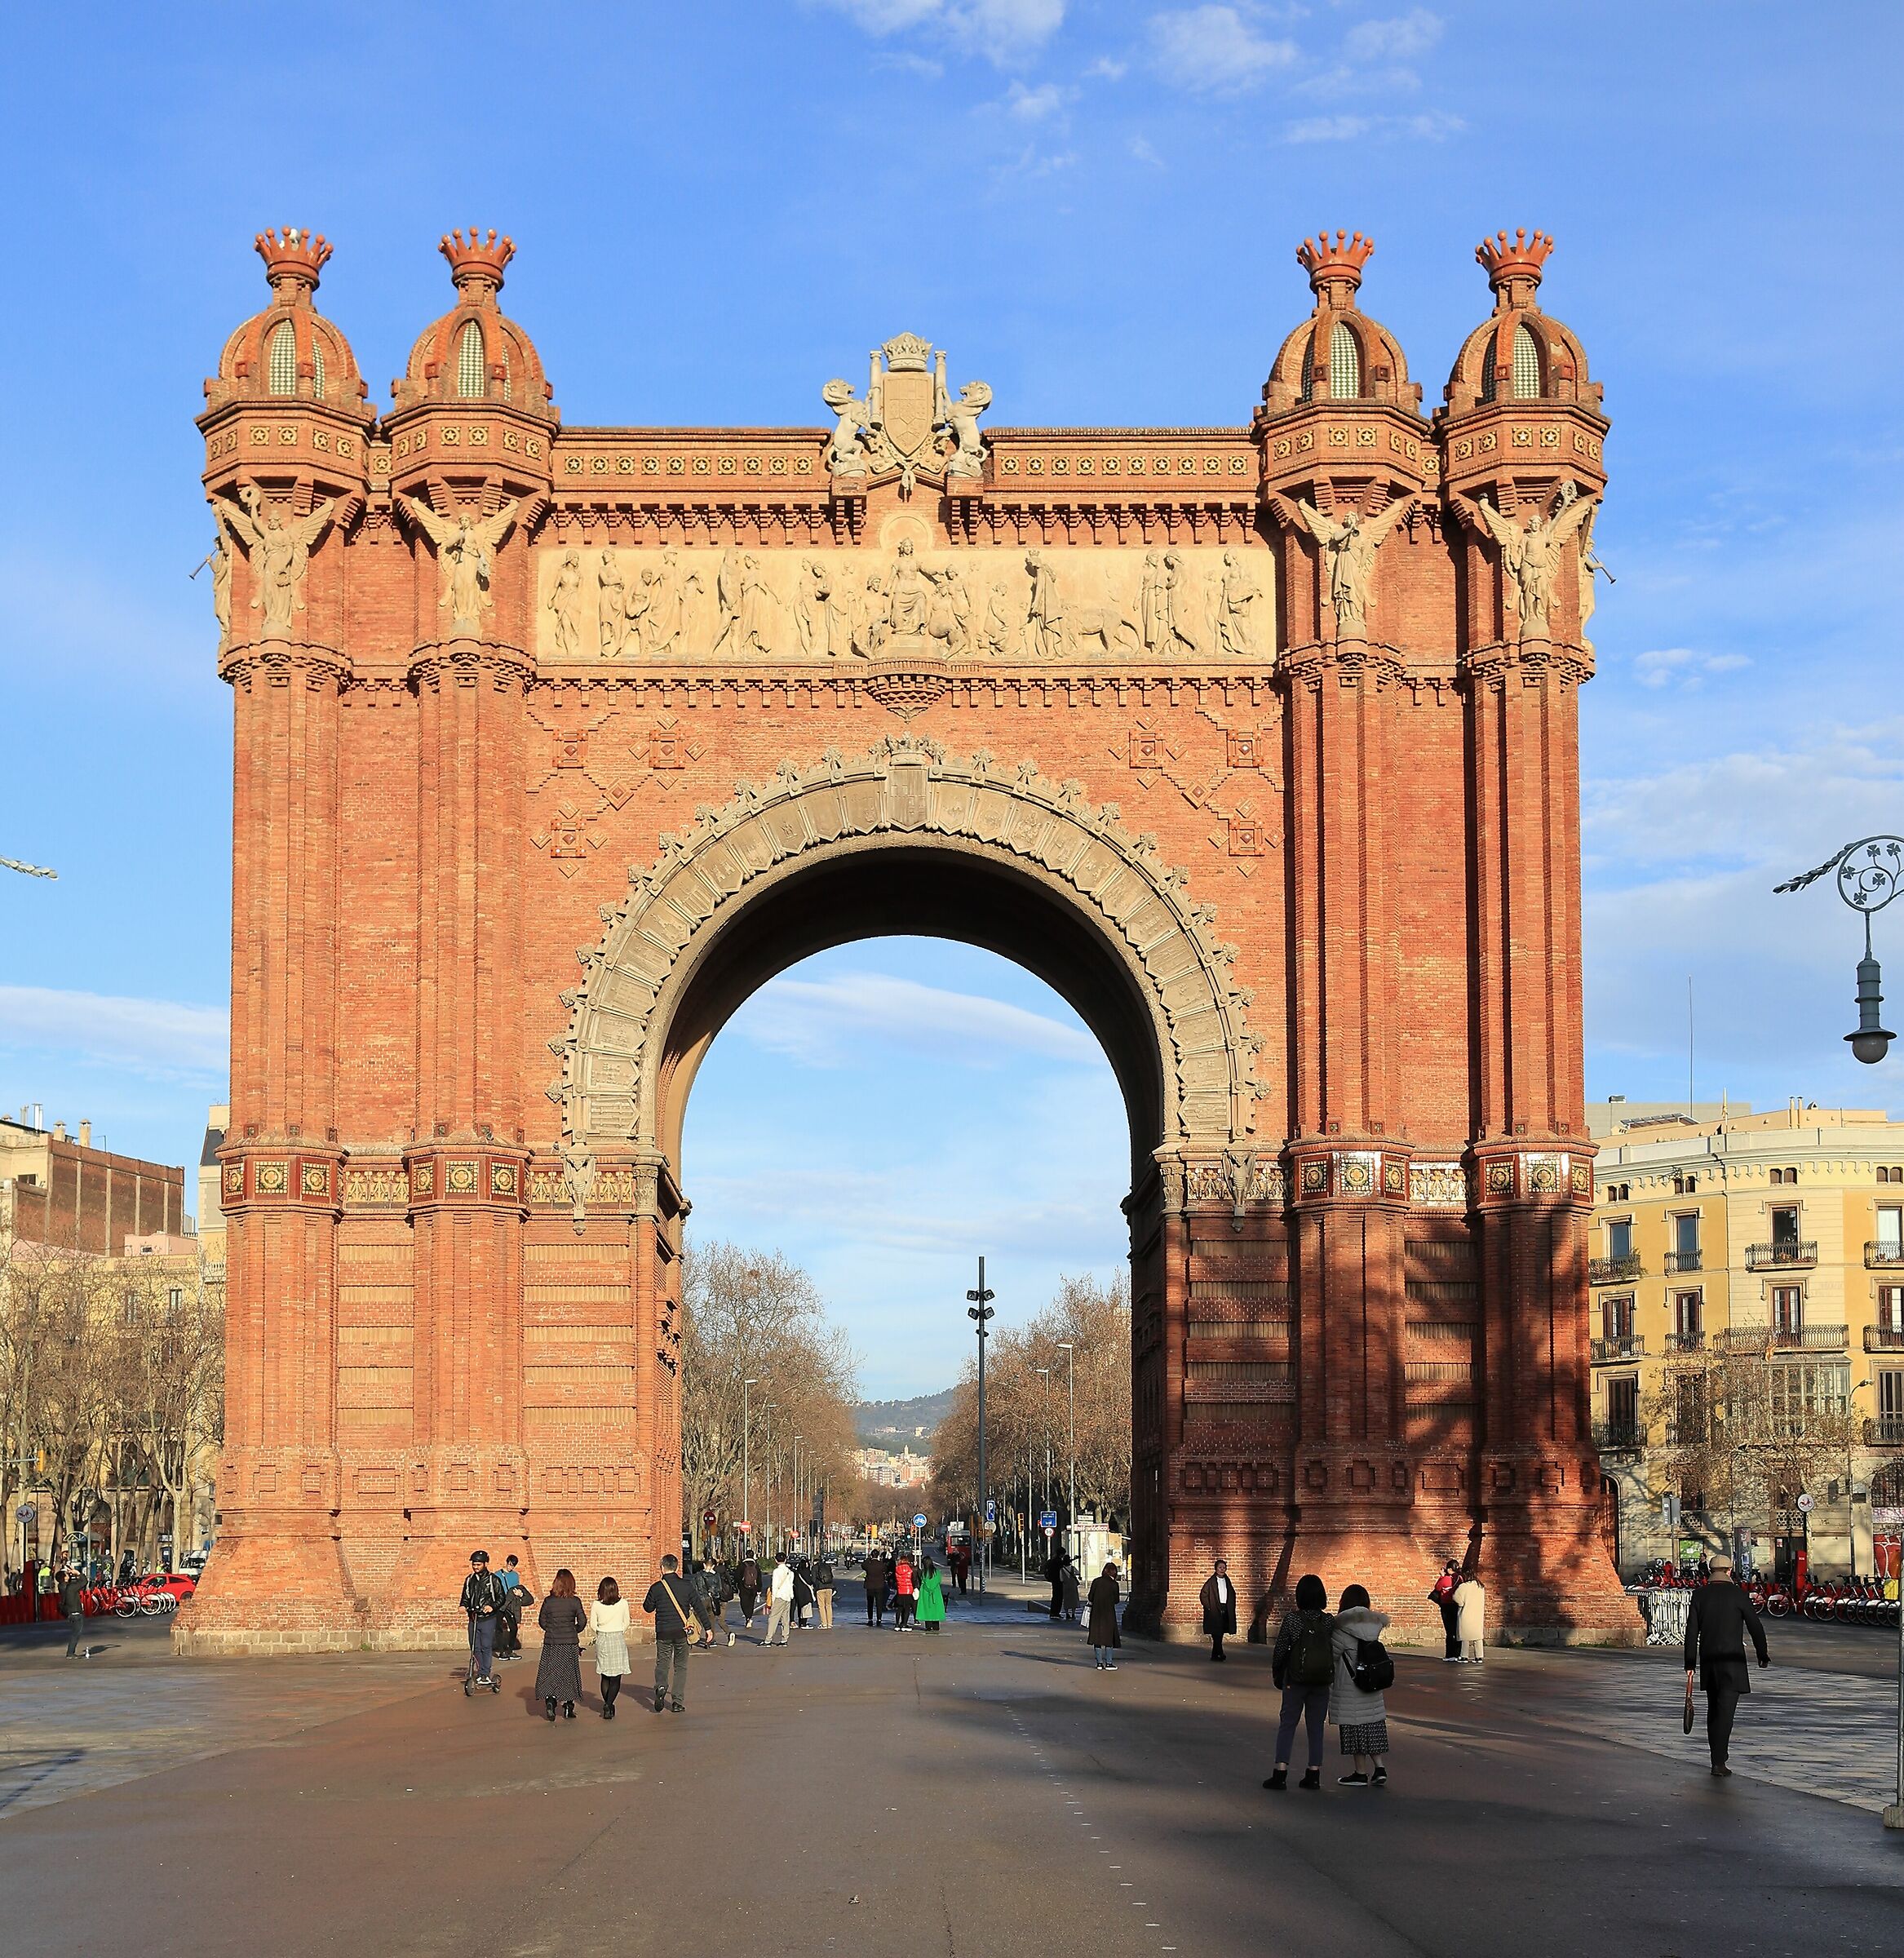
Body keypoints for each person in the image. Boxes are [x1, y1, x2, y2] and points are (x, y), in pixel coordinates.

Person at [1683, 1553, 1769, 1776]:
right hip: (1733, 1662)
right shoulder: (1738, 1595)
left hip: (1709, 1662)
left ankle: (1716, 1758)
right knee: (1726, 1713)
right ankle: (1719, 1762)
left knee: (1713, 1711)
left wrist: (1690, 1663)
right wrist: (1762, 1654)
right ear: (1730, 1571)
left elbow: (1691, 1631)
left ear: (1710, 1572)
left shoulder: (1699, 1595)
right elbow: (1755, 1626)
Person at [1264, 1574, 1335, 1791]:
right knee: (1316, 1726)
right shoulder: (1329, 1620)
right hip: (1321, 1680)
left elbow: (1281, 1650)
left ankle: (1281, 1771)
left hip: (1295, 1678)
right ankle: (1314, 1772)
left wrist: (1277, 1672)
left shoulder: (1293, 1620)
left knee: (1288, 1723)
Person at [1329, 1583, 1393, 1787]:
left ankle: (1360, 1772)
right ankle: (1380, 1768)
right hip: (1371, 1683)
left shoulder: (1341, 1628)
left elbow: (1333, 1656)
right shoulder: (1374, 1626)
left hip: (1349, 1685)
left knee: (1354, 1727)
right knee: (1372, 1724)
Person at [643, 1553, 697, 1712]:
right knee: (681, 1666)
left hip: (663, 1632)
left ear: (662, 1568)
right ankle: (677, 1701)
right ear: (677, 1568)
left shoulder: (656, 1588)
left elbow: (648, 1607)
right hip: (682, 1632)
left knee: (663, 1663)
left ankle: (661, 1685)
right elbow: (698, 1605)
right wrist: (708, 1628)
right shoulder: (686, 1586)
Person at [535, 1568, 587, 1721]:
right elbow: (582, 1621)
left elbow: (542, 1621)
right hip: (569, 1643)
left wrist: (551, 1629)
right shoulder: (574, 1601)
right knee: (569, 1675)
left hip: (552, 1643)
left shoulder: (549, 1601)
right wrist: (574, 1630)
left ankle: (550, 1701)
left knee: (550, 1673)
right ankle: (568, 1707)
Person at [458, 1550, 506, 1692]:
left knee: (486, 1646)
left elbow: (501, 1598)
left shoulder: (493, 1580)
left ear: (485, 1564)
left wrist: (492, 1607)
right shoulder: (469, 1580)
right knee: (475, 1647)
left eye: (478, 1564)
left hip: (487, 1619)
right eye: (474, 1564)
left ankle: (485, 1674)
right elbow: (465, 1597)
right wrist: (463, 1605)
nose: (475, 1567)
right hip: (474, 1617)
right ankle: (480, 1672)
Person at [590, 1576, 631, 1719]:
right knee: (616, 1676)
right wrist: (619, 1630)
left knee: (605, 1675)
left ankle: (608, 1704)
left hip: (602, 1638)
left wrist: (601, 1631)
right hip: (617, 1637)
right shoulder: (623, 1603)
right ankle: (609, 1703)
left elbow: (593, 1625)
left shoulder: (596, 1605)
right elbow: (627, 1622)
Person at [1200, 1559, 1238, 1662]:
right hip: (1214, 1610)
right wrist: (1209, 1607)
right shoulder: (1211, 1582)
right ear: (1216, 1568)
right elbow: (1203, 1595)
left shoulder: (1227, 1580)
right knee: (1216, 1632)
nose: (1222, 1569)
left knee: (1220, 1631)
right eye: (1220, 1567)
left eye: (1224, 1568)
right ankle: (1220, 1653)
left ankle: (1215, 1655)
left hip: (1225, 1608)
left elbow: (1232, 1594)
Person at [1087, 1560, 1122, 1669]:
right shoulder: (1114, 1584)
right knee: (1109, 1639)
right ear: (1114, 1572)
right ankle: (1109, 1663)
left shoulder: (1096, 1581)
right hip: (1109, 1614)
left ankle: (1099, 1663)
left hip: (1096, 1613)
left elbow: (1090, 1597)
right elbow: (1116, 1600)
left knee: (1097, 1638)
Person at [1429, 1560, 1461, 1662]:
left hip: (1446, 1606)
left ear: (1450, 1569)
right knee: (1457, 1630)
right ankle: (1458, 1653)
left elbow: (1437, 1587)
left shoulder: (1446, 1579)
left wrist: (1442, 1576)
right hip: (1456, 1605)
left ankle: (1449, 1654)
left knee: (1449, 1631)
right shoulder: (1460, 1578)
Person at [1454, 1570, 1487, 1665]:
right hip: (1477, 1613)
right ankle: (1479, 1656)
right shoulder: (1480, 1586)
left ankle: (1464, 1656)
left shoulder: (1463, 1586)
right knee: (1477, 1636)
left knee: (1465, 1636)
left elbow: (1456, 1597)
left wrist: (1461, 1604)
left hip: (1466, 1612)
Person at [764, 1553, 795, 1646]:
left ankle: (768, 1640)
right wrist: (791, 1596)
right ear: (785, 1560)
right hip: (787, 1597)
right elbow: (790, 1585)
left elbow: (775, 1587)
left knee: (773, 1619)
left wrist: (773, 1600)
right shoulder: (790, 1572)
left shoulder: (776, 1572)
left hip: (779, 1597)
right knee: (785, 1619)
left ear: (776, 1560)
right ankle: (784, 1639)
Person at [60, 1564, 86, 1660]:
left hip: (71, 1613)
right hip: (76, 1613)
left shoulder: (63, 1587)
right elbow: (84, 1582)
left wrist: (72, 1572)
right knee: (76, 1633)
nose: (69, 1575)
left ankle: (70, 1652)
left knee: (75, 1633)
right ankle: (70, 1653)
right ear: (64, 1578)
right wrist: (78, 1573)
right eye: (67, 1574)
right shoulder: (70, 1588)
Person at [916, 1558, 946, 1634]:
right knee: (935, 1608)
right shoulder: (937, 1572)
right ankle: (936, 1625)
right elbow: (939, 1581)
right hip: (935, 1593)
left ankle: (928, 1626)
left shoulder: (924, 1572)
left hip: (925, 1593)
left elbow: (922, 1581)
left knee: (927, 1608)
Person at [863, 1545, 890, 1627]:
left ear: (871, 1556)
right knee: (879, 1603)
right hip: (879, 1586)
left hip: (870, 1586)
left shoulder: (869, 1565)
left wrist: (868, 1559)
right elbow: (886, 1570)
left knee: (870, 1603)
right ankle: (879, 1619)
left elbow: (863, 1565)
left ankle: (870, 1619)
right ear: (878, 1556)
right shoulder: (881, 1565)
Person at [737, 1550, 762, 1630]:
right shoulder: (756, 1565)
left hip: (743, 1587)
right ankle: (749, 1617)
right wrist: (759, 1589)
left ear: (746, 1555)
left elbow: (737, 1576)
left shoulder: (742, 1565)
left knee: (744, 1603)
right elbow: (759, 1578)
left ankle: (747, 1617)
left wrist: (738, 1585)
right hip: (754, 1587)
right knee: (751, 1603)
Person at [892, 1549, 916, 1630]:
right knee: (907, 1609)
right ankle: (904, 1624)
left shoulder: (896, 1569)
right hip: (908, 1591)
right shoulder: (910, 1569)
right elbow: (913, 1580)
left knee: (899, 1608)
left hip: (900, 1591)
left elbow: (894, 1580)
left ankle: (897, 1624)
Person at [813, 1552, 835, 1629]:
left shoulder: (815, 1567)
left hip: (820, 1588)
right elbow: (831, 1576)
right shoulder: (827, 1566)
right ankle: (830, 1623)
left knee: (821, 1606)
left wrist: (815, 1587)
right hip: (829, 1587)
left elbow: (813, 1579)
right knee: (829, 1605)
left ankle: (824, 1624)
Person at [792, 1560, 816, 1630]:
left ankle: (800, 1623)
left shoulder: (797, 1573)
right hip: (806, 1593)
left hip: (798, 1593)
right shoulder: (806, 1572)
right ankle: (804, 1624)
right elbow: (809, 1581)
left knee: (800, 1608)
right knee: (806, 1609)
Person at [1060, 1554, 1081, 1625]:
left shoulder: (1062, 1569)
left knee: (1066, 1600)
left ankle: (1067, 1614)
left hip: (1066, 1586)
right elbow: (1078, 1572)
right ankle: (1073, 1614)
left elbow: (1061, 1579)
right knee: (1073, 1599)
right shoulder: (1072, 1568)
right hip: (1073, 1585)